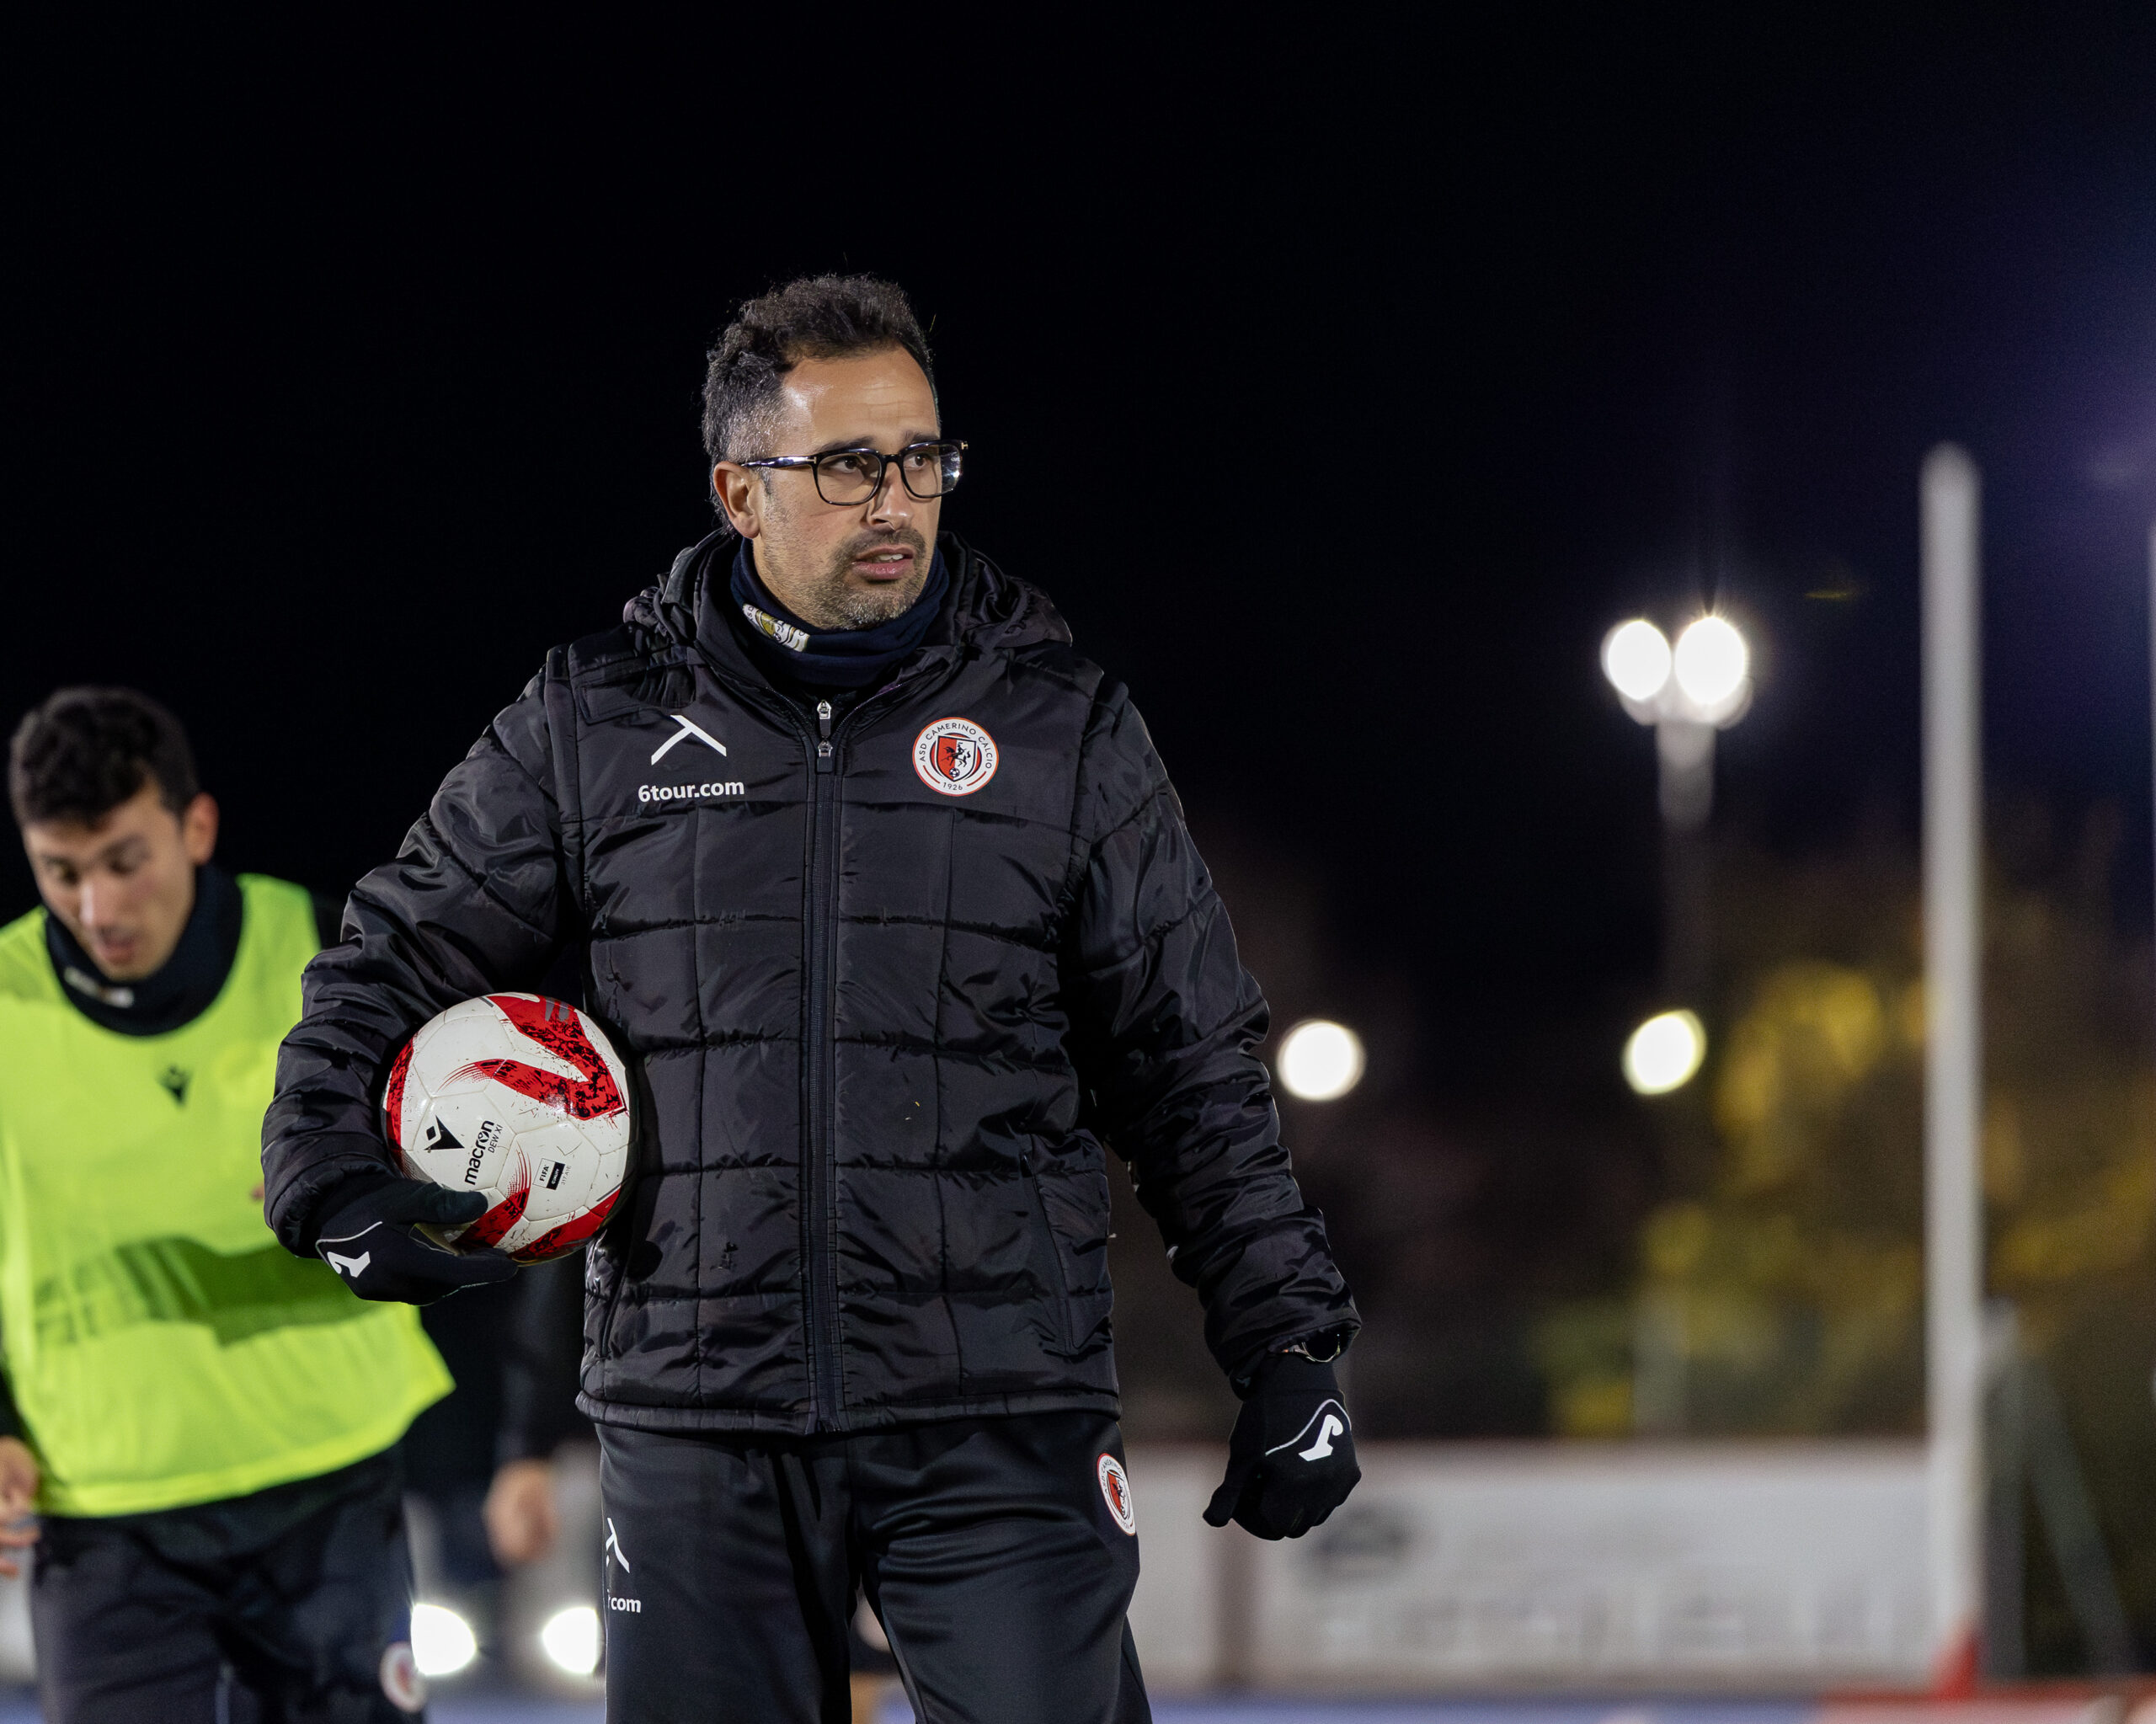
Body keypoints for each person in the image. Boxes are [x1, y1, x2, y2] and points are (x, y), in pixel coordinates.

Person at [262, 274, 1362, 1724]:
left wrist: (1287, 1343)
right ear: (741, 492)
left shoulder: (1063, 726)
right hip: (695, 1418)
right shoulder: (594, 723)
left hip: (997, 1410)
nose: (895, 499)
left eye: (921, 458)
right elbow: (392, 951)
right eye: (847, 465)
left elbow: (1188, 1060)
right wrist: (325, 1165)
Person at [0, 688, 461, 1722]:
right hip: (103, 1514)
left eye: (125, 860)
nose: (97, 908)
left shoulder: (329, 956)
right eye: (61, 871)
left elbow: (457, 1186)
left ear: (196, 826)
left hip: (328, 1482)